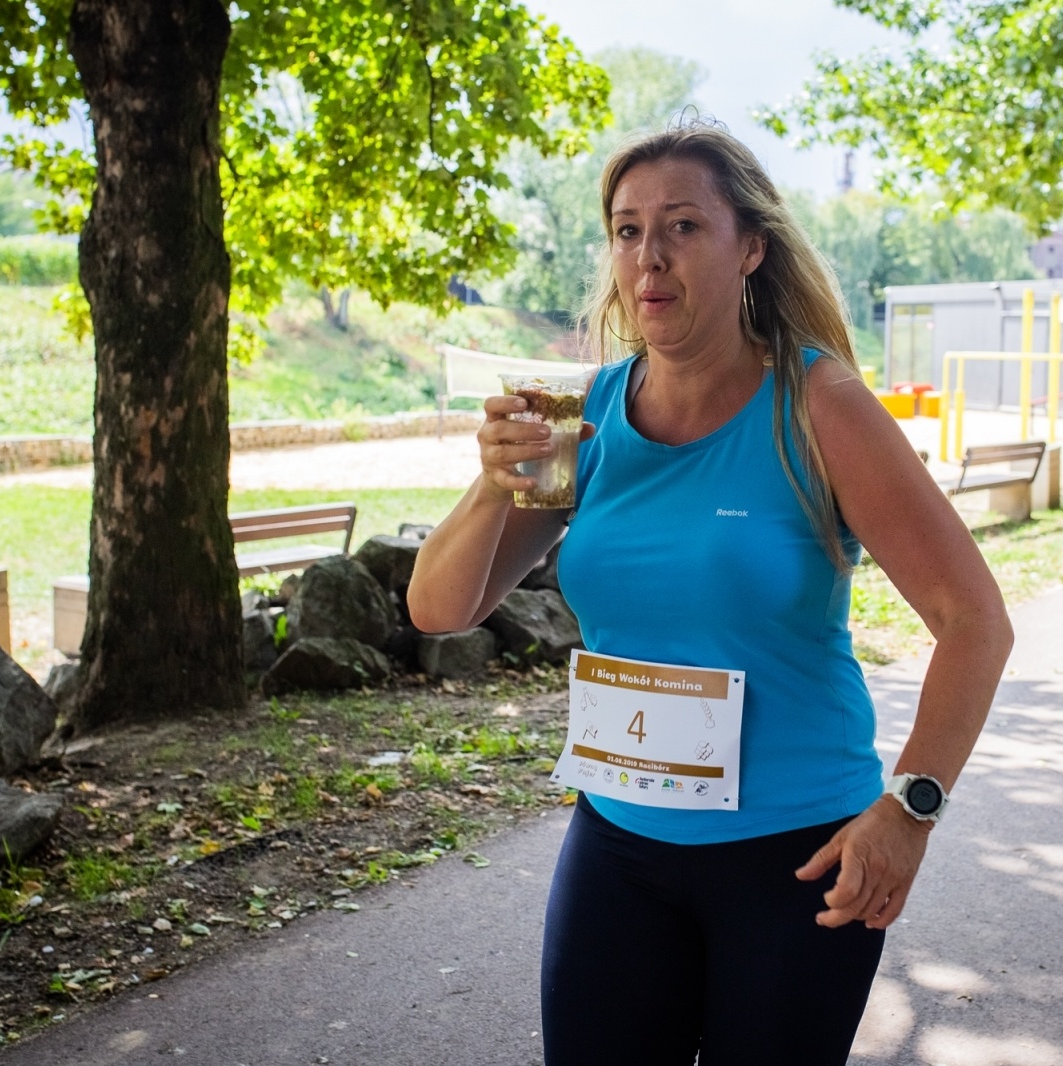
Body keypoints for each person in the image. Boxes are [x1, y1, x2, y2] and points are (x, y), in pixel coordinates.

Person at [408, 119, 1012, 1064]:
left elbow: (974, 620)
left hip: (797, 855)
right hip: (618, 839)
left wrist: (909, 811)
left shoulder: (818, 407)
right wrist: (494, 480)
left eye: (684, 226)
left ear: (751, 248)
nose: (650, 257)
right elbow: (442, 609)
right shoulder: (588, 417)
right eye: (627, 229)